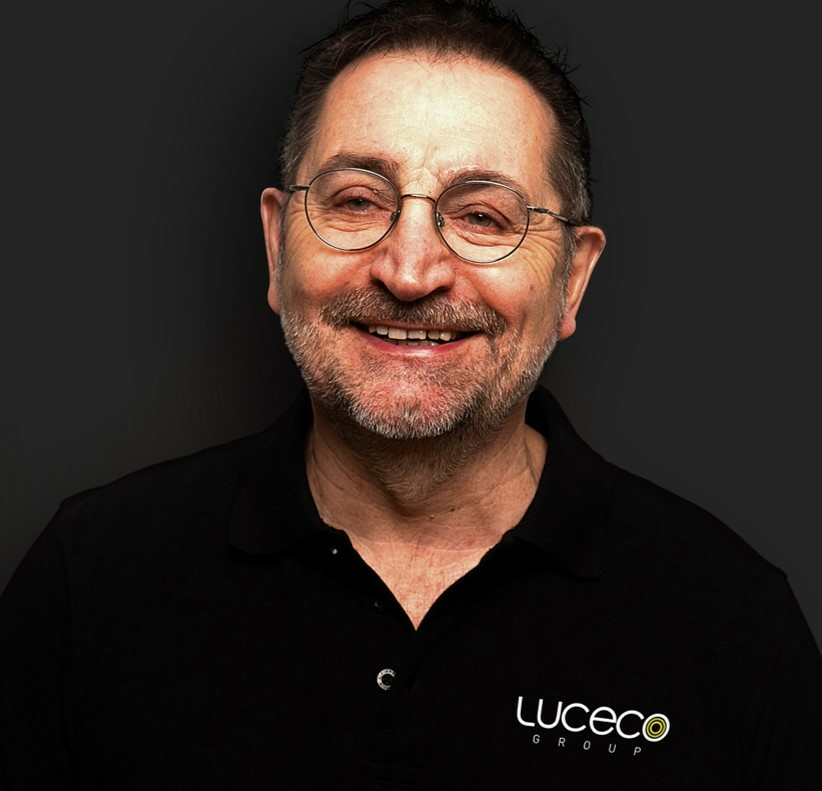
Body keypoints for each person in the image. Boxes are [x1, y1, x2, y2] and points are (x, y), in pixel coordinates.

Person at [1, 0, 820, 788]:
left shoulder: (732, 626)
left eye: (483, 216)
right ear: (276, 246)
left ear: (572, 279)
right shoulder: (91, 581)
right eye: (357, 201)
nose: (410, 271)